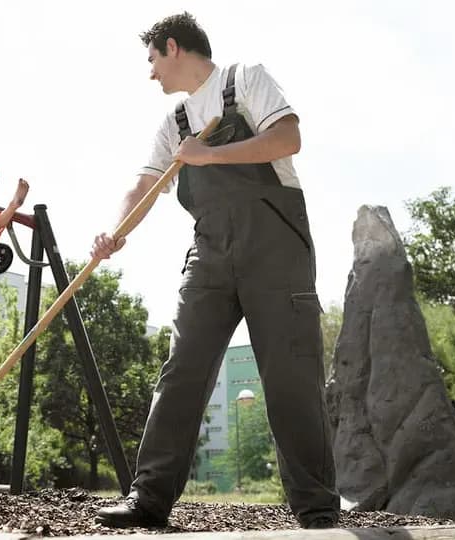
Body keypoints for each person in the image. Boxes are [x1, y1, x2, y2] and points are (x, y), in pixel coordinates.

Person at [91, 12, 339, 530]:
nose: (151, 73)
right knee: (182, 368)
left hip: (274, 244)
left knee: (291, 375)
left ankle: (317, 512)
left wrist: (209, 156)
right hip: (210, 252)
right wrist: (116, 230)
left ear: (173, 47)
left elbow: (287, 138)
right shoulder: (174, 122)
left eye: (153, 59)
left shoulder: (244, 78)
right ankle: (149, 499)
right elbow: (144, 185)